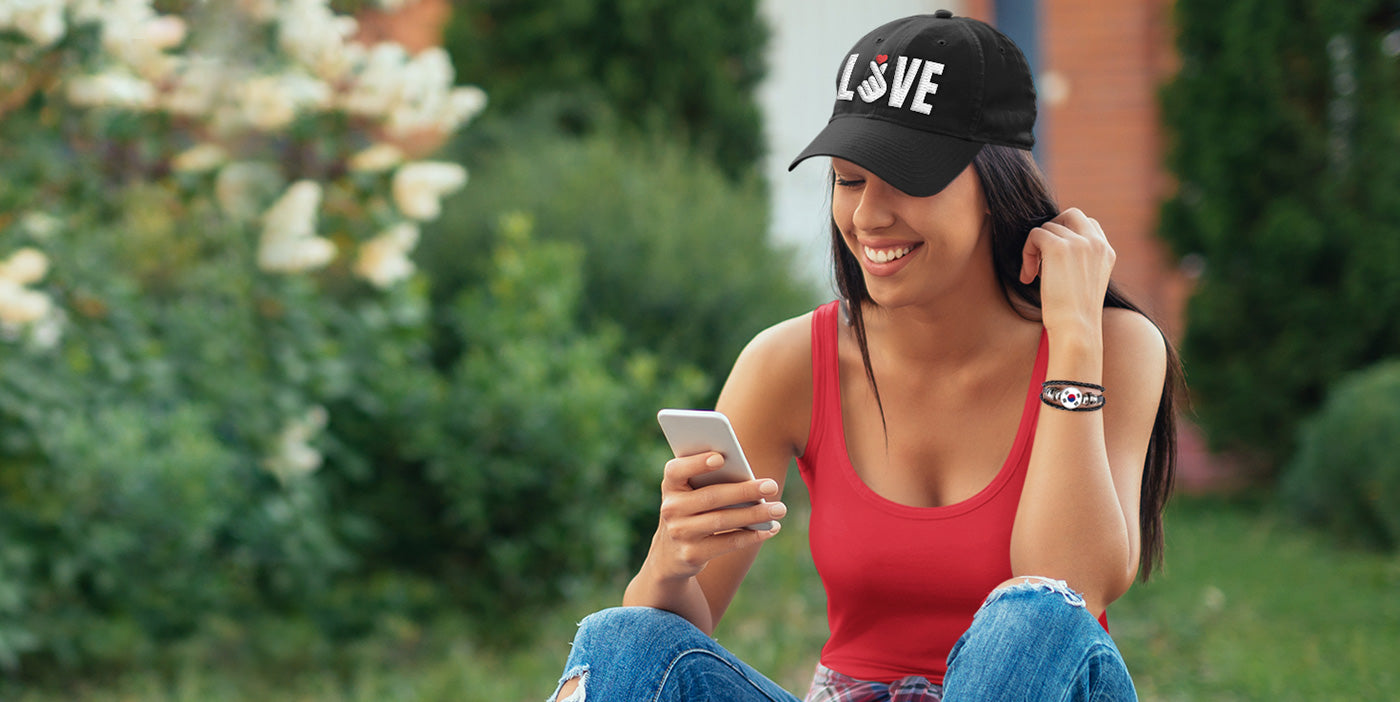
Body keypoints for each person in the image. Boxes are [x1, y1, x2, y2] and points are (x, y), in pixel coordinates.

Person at [549, 10, 1180, 702]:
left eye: (904, 178)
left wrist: (1075, 337)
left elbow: (1069, 594)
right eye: (849, 179)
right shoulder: (789, 362)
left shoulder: (1111, 347)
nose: (868, 216)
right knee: (618, 638)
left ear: (998, 185)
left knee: (1029, 617)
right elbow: (658, 663)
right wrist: (670, 562)